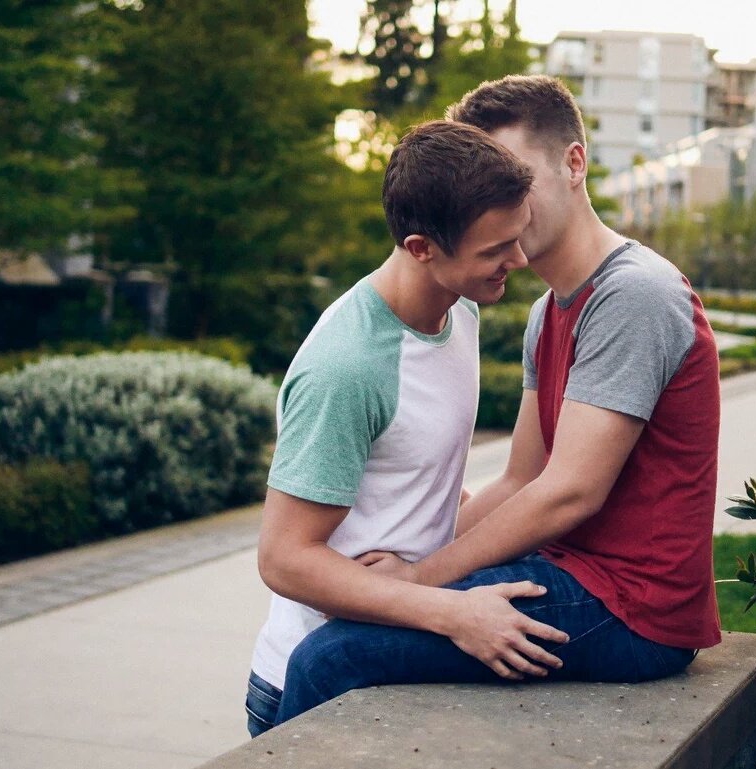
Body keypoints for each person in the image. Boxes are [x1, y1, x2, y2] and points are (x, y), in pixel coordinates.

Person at [272, 75, 722, 727]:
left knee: (330, 657)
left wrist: (419, 581)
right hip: (572, 571)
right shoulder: (548, 312)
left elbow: (569, 491)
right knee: (362, 626)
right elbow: (520, 478)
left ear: (575, 163)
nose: (503, 204)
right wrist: (407, 574)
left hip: (633, 606)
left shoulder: (635, 295)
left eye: (517, 177)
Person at [246, 119, 572, 737]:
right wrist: (451, 612)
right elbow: (284, 558)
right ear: (422, 247)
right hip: (313, 686)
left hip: (393, 656)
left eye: (518, 234)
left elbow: (421, 480)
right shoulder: (349, 367)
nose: (520, 259)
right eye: (495, 249)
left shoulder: (461, 308)